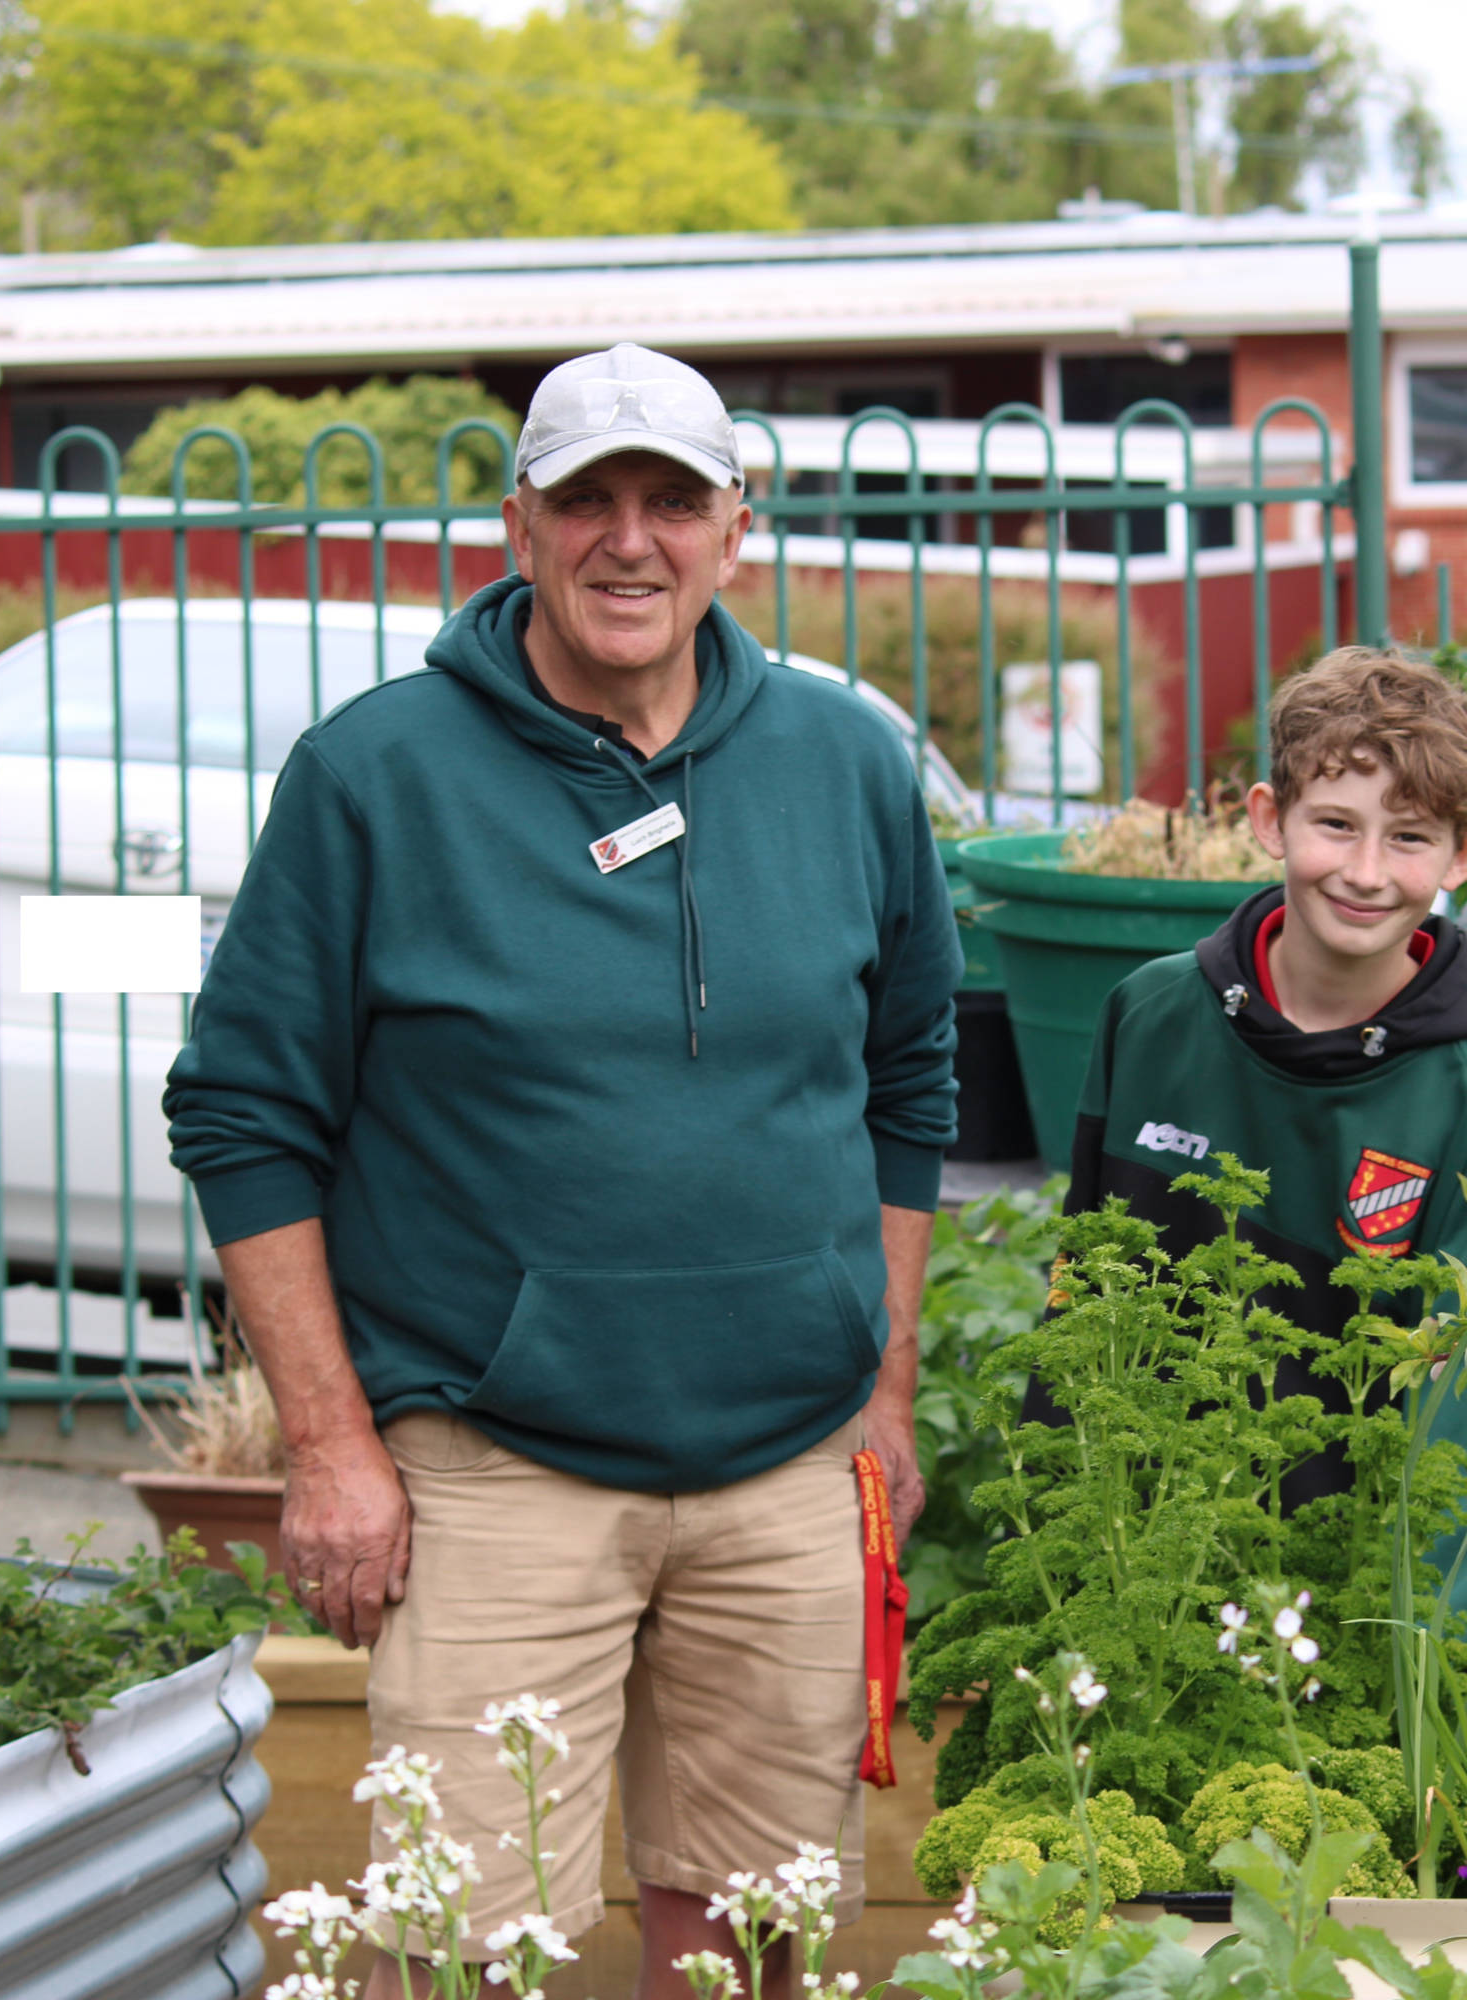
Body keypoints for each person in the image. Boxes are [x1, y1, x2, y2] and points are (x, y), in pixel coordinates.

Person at [162, 342, 962, 1996]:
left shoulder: (847, 767)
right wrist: (330, 1447)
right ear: (517, 527)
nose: (630, 540)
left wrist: (883, 1389)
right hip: (497, 1469)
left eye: (671, 499)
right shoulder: (376, 780)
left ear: (736, 530)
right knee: (460, 1953)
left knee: (753, 1950)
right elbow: (245, 1116)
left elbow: (906, 1083)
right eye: (585, 499)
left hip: (788, 1469)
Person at [1045, 647, 1467, 1609]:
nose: (1365, 872)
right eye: (1334, 825)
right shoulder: (1148, 1015)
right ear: (1271, 821)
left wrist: (1414, 1653)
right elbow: (1082, 1303)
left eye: (1408, 838)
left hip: (1345, 1602)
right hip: (1142, 1578)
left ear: (1466, 854)